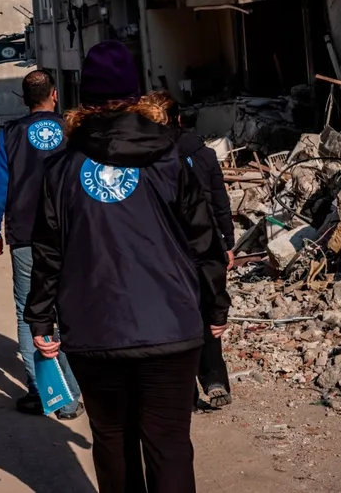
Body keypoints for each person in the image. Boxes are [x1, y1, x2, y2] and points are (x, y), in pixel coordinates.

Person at [25, 40, 230, 493]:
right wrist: (216, 305)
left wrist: (40, 315)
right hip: (172, 327)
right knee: (169, 444)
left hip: (94, 329)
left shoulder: (61, 168)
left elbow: (49, 251)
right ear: (137, 94)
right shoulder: (171, 155)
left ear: (86, 98)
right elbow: (204, 240)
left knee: (112, 440)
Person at [0, 69, 82, 419]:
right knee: (67, 309)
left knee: (29, 314)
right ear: (54, 95)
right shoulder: (73, 128)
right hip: (70, 234)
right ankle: (73, 395)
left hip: (26, 234)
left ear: (24, 100)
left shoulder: (9, 135)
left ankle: (45, 393)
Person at [157, 92, 237, 409]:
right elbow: (220, 201)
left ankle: (185, 391)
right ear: (179, 119)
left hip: (168, 248)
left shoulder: (153, 160)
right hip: (205, 244)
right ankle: (215, 379)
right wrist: (227, 244)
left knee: (174, 318)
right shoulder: (203, 155)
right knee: (208, 315)